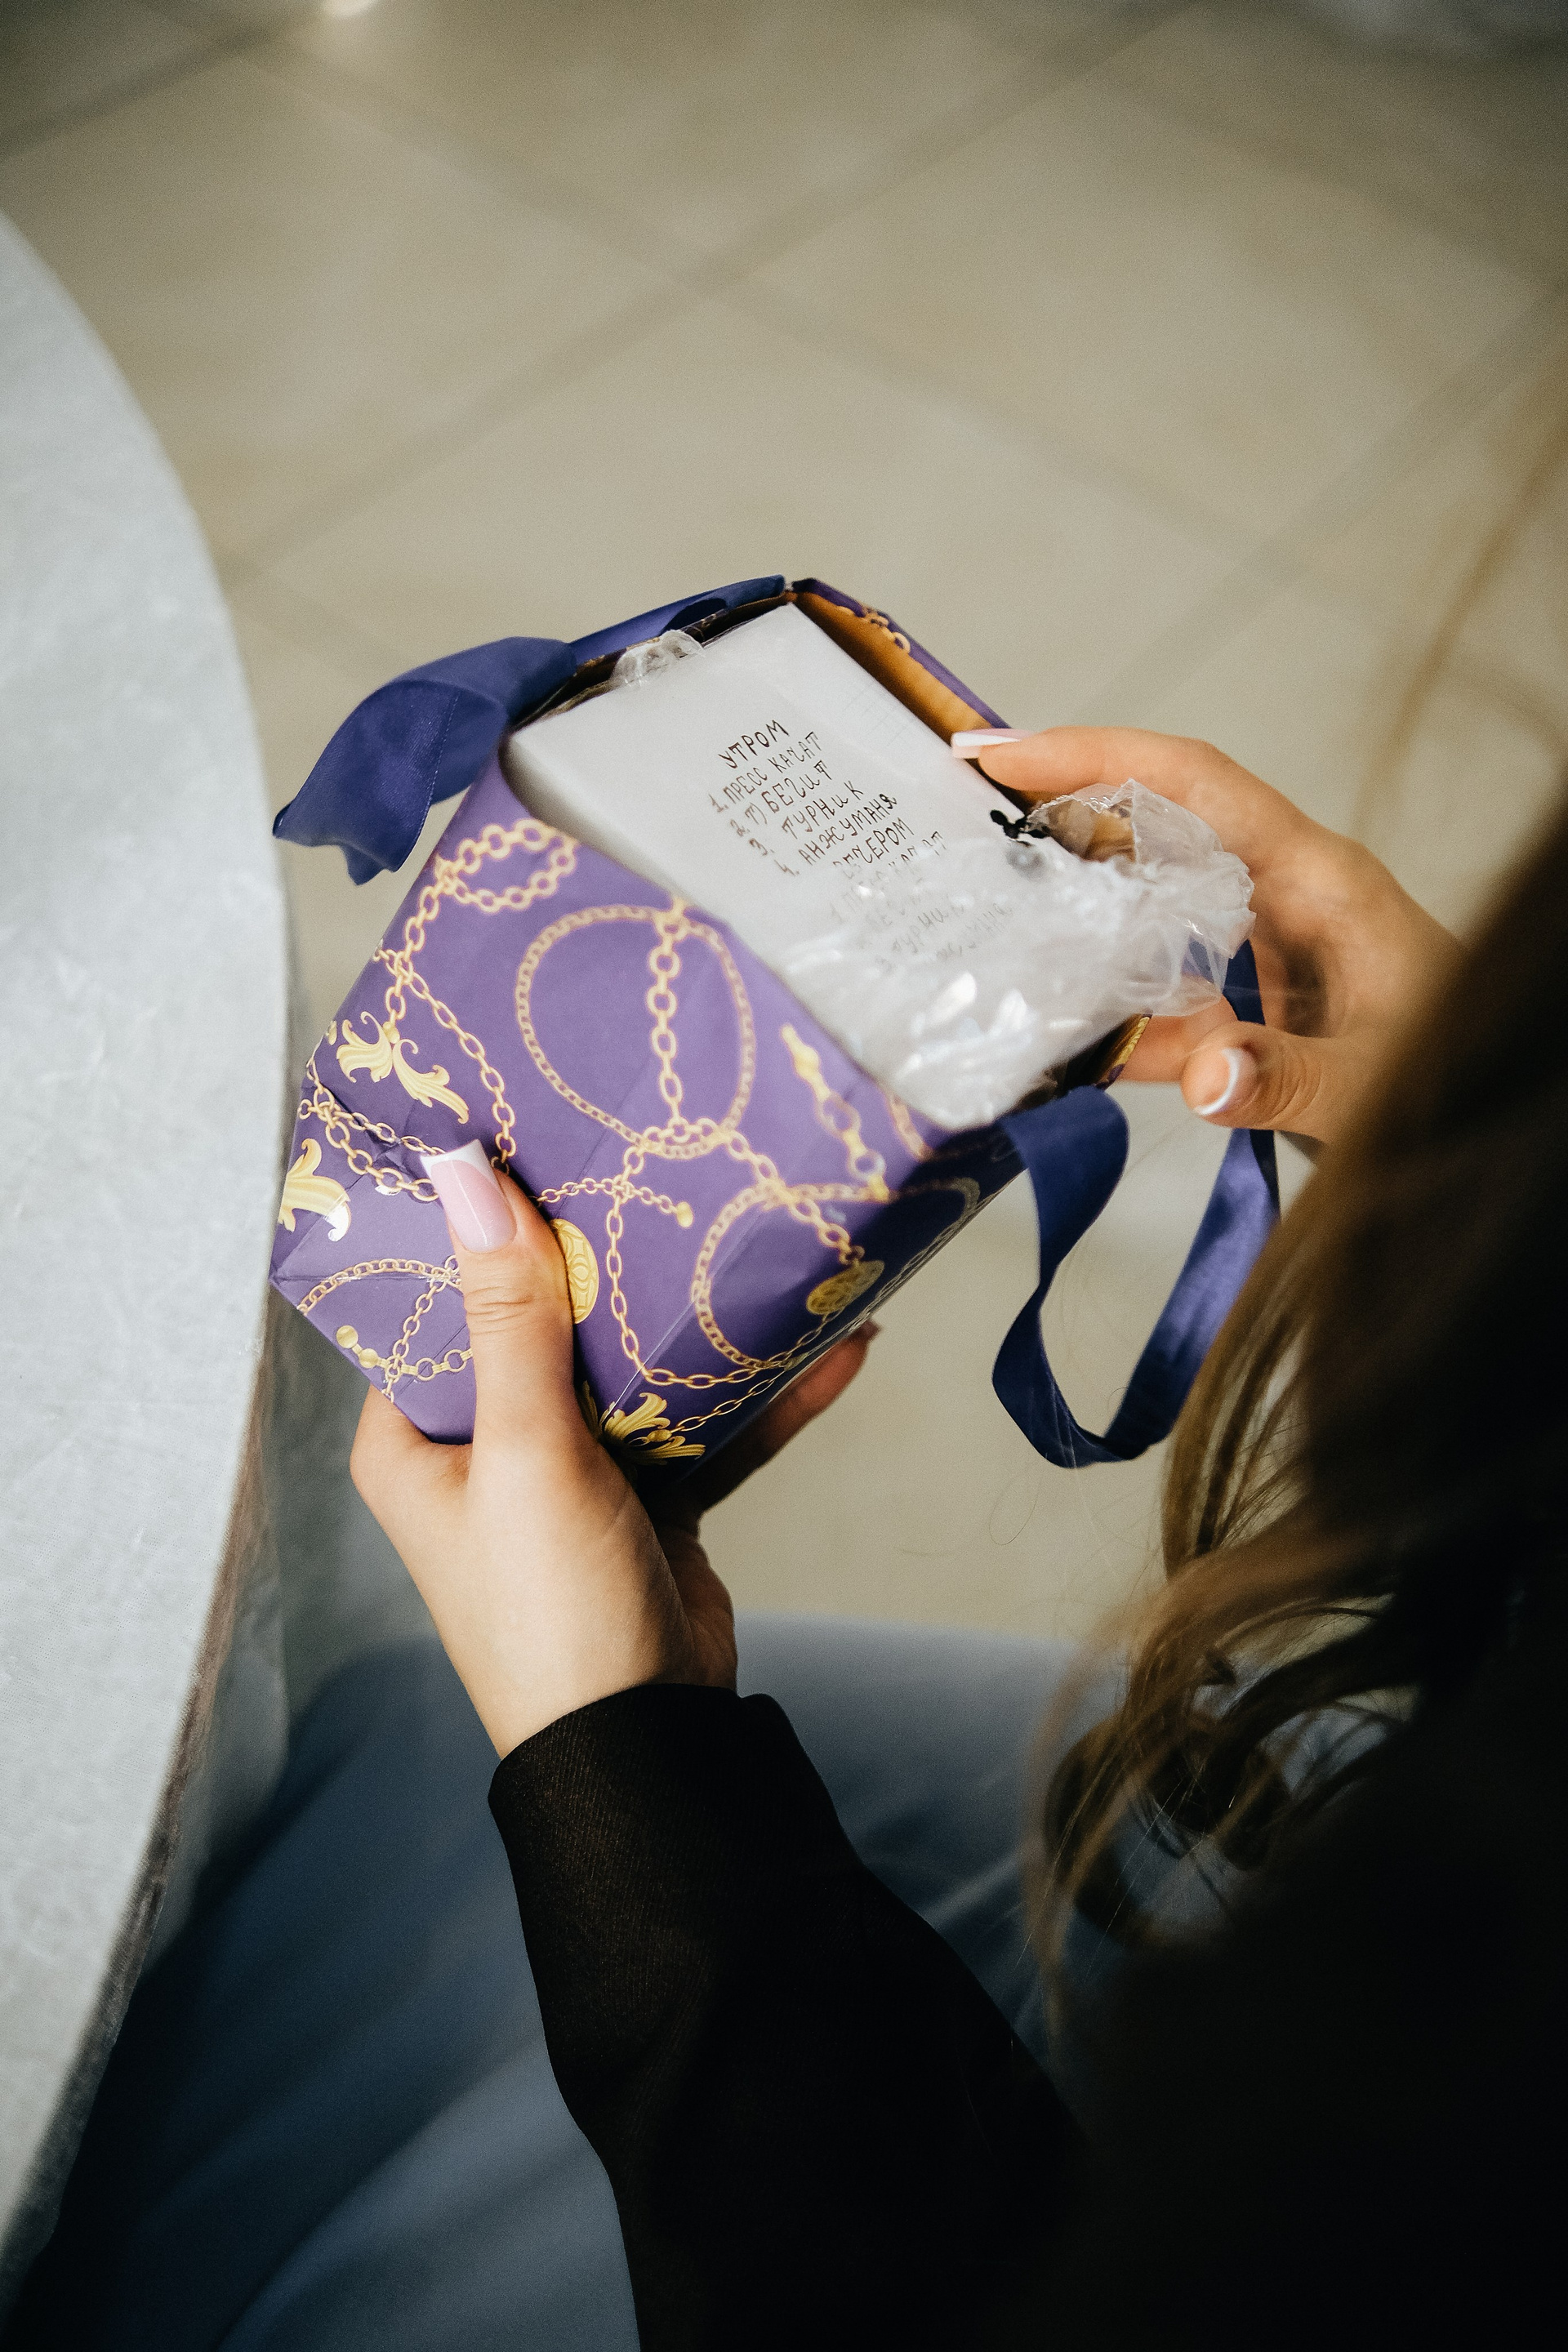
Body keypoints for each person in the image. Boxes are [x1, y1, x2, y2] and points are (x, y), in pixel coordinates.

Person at [13, 729, 1563, 2348]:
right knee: (393, 1743)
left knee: (380, 1817)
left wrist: (618, 1760)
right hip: (1412, 1771)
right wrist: (1480, 1148)